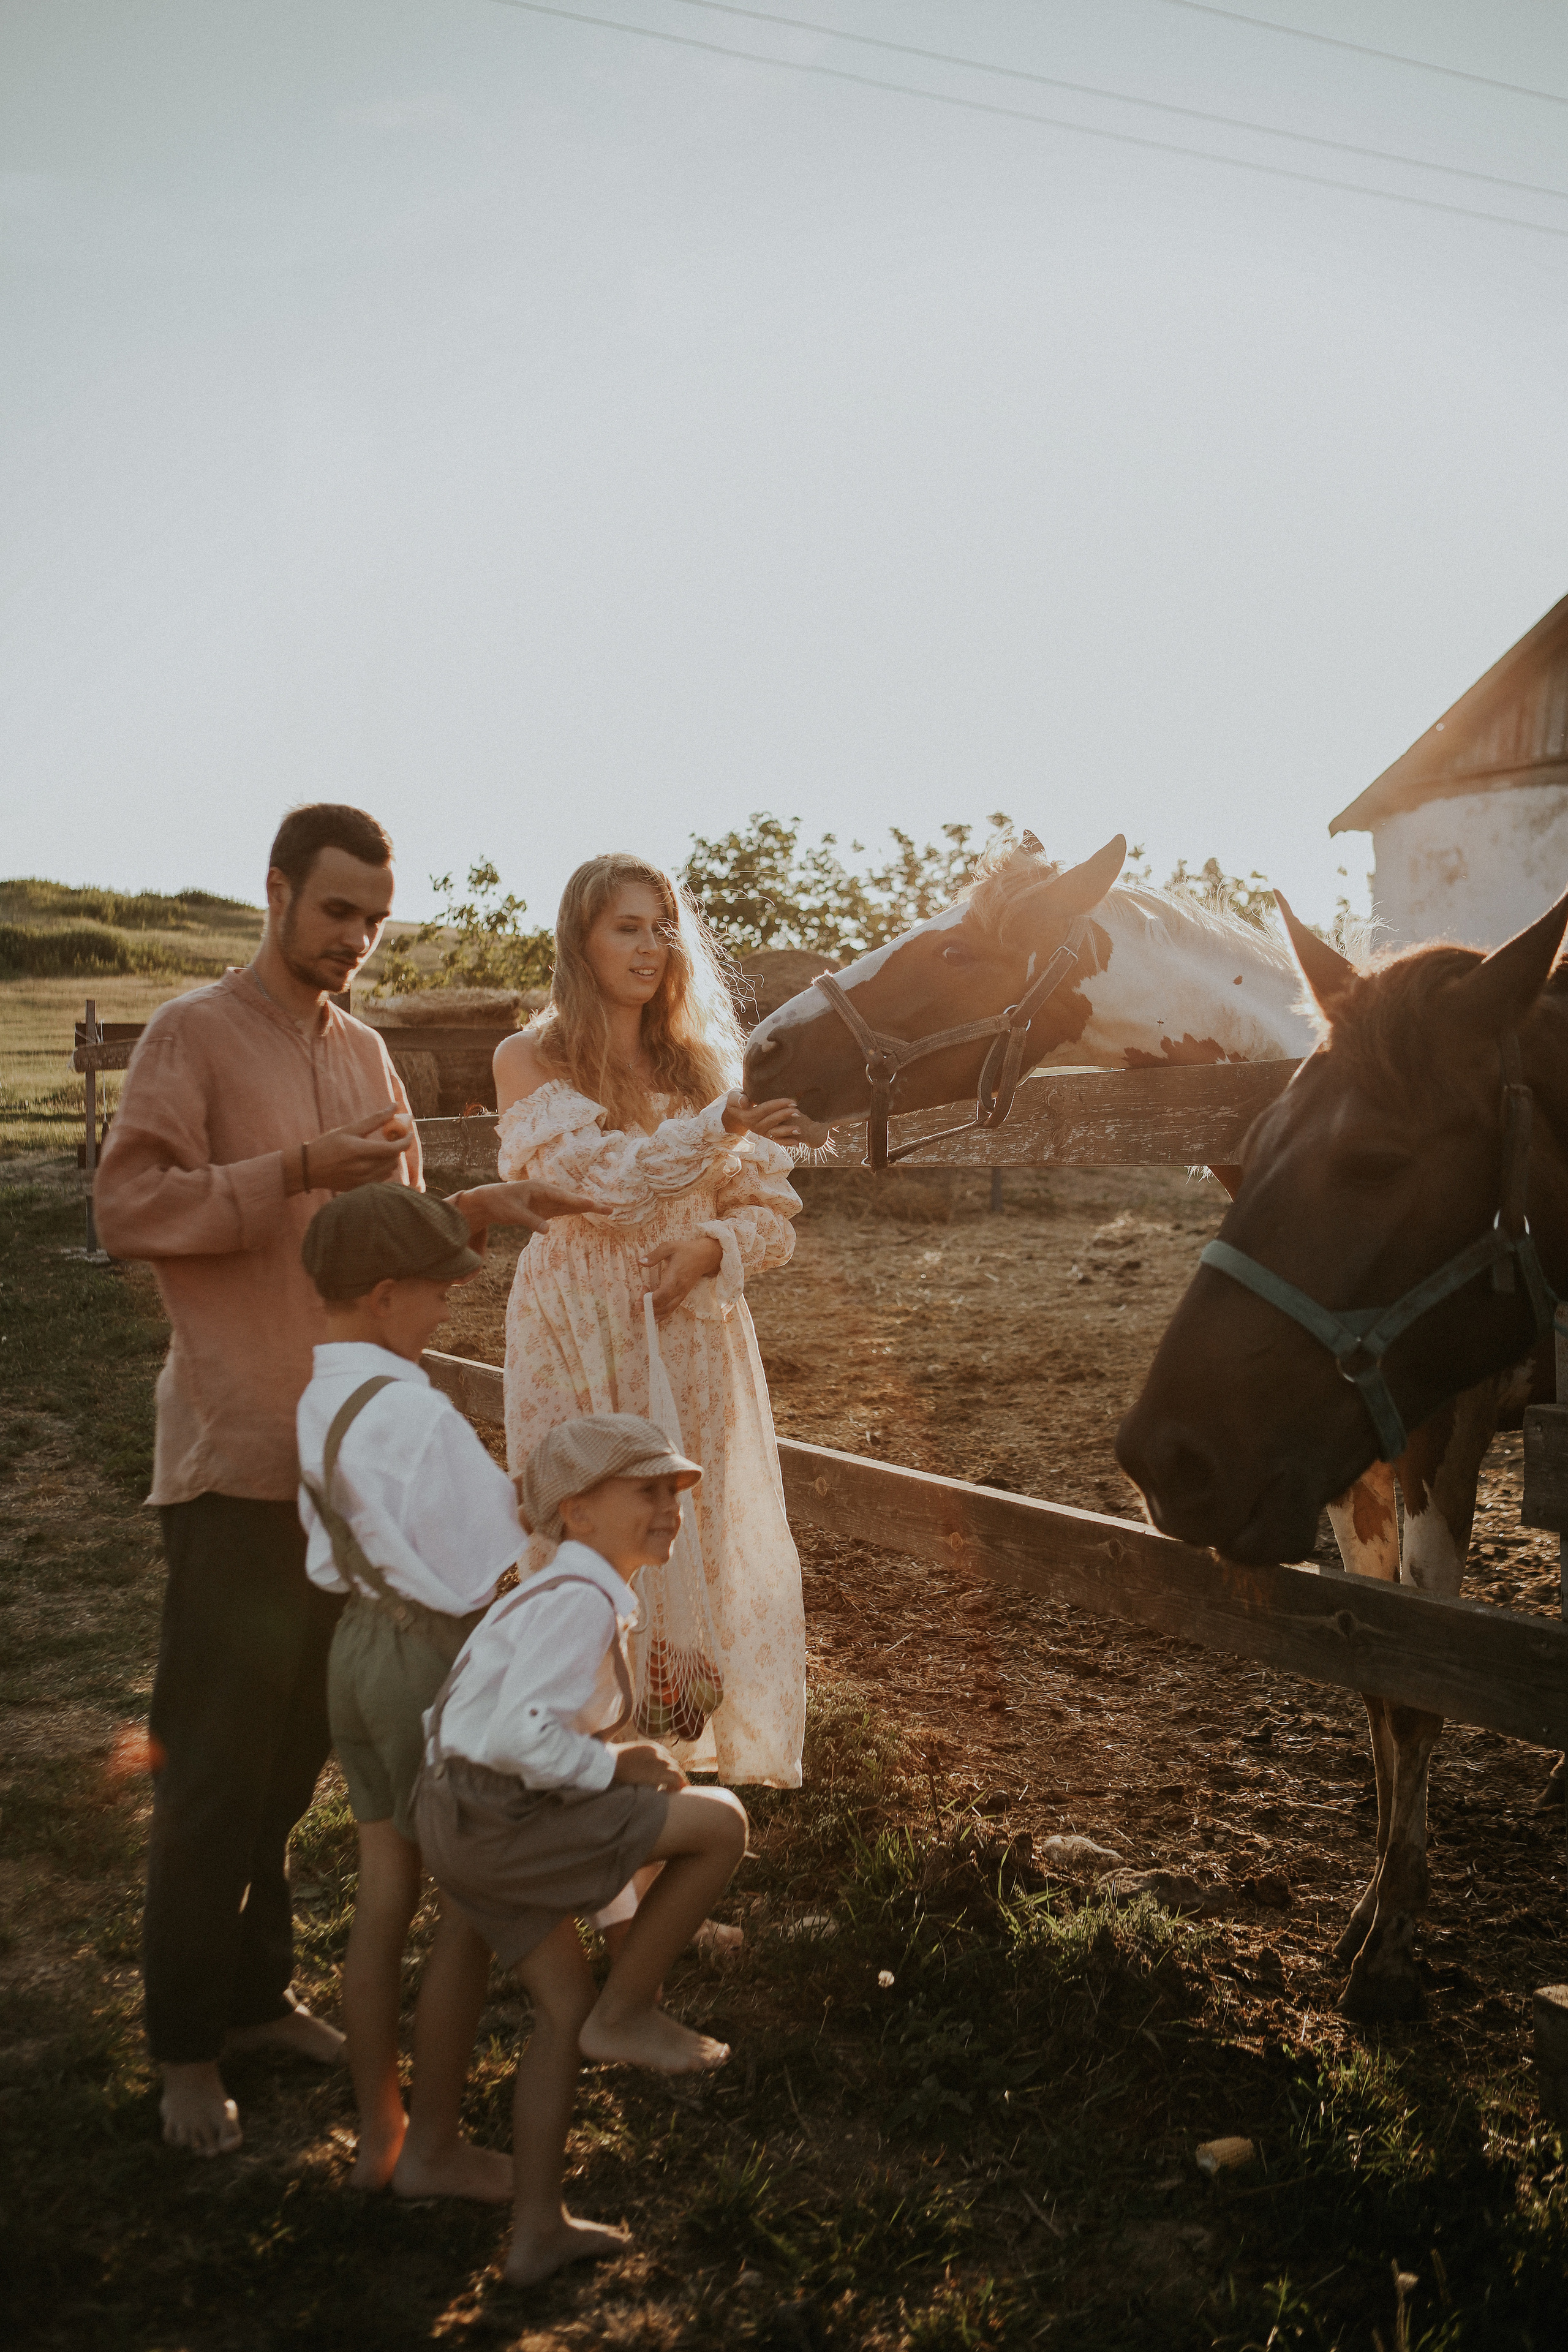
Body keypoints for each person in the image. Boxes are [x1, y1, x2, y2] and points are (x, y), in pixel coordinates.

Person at [94, 803, 583, 2160]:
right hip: (241, 1456)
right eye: (335, 913)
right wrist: (292, 1172)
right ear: (275, 894)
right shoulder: (191, 1035)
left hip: (352, 1473)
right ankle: (186, 2045)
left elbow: (395, 1237)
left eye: (373, 919)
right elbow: (126, 1209)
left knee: (298, 1756)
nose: (356, 941)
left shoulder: (366, 1049)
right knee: (212, 1767)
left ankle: (254, 1998)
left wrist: (485, 1212)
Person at [492, 854, 823, 1789]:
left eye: (660, 927)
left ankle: (679, 1771)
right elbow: (601, 1186)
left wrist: (712, 1248)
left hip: (687, 1328)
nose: (648, 947)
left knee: (693, 1532)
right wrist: (723, 1122)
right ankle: (577, 1766)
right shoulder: (531, 1059)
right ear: (580, 941)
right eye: (624, 928)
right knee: (586, 1530)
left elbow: (773, 1219)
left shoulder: (702, 1064)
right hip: (579, 1322)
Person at [415, 1413, 749, 2287]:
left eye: (673, 1490)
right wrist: (615, 1764)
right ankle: (629, 2010)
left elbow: (476, 1726)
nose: (670, 1506)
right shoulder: (580, 1602)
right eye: (645, 1491)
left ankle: (536, 2231)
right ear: (578, 1511)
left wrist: (608, 1827)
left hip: (462, 1817)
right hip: (499, 1819)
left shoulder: (550, 1595)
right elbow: (530, 1738)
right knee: (720, 1824)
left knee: (562, 2016)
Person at [298, 1184, 579, 2201]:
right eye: (435, 1293)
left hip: (357, 1653)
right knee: (468, 1906)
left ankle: (381, 2134)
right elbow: (497, 1559)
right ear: (383, 1297)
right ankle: (438, 2150)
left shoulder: (321, 1395)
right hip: (431, 1663)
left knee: (382, 1900)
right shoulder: (418, 1414)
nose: (446, 1311)